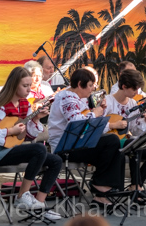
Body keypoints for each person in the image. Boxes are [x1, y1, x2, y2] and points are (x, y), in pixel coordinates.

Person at [0, 67, 62, 219]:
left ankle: (39, 205)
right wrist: (9, 131)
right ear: (14, 85)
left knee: (56, 160)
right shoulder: (0, 107)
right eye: (25, 86)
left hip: (12, 149)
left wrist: (35, 119)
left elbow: (25, 136)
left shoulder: (24, 105)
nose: (29, 89)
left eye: (30, 85)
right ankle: (22, 195)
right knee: (39, 149)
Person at [48, 68, 124, 207]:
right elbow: (77, 122)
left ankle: (102, 191)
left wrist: (100, 112)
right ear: (79, 84)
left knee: (114, 145)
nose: (92, 89)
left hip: (78, 144)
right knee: (111, 142)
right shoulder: (66, 98)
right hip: (64, 148)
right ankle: (100, 187)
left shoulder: (78, 99)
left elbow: (90, 126)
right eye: (90, 85)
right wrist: (94, 114)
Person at [103, 69, 146, 204]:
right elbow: (98, 127)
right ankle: (135, 188)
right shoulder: (107, 102)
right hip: (109, 143)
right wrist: (114, 124)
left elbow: (135, 130)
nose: (137, 92)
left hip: (127, 142)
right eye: (134, 89)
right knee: (136, 149)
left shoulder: (132, 103)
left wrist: (145, 121)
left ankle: (135, 185)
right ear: (124, 86)